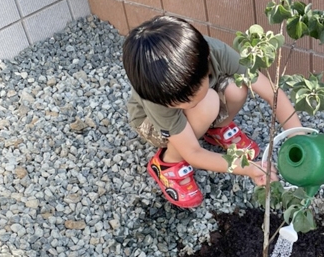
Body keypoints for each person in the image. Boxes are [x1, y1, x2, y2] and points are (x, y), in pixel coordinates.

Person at [122, 15, 302, 209]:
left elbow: (273, 94)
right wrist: (248, 168)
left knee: (236, 87)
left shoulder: (216, 52)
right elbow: (193, 152)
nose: (185, 104)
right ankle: (168, 163)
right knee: (206, 103)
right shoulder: (156, 94)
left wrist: (299, 138)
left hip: (203, 103)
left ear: (206, 60)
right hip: (151, 124)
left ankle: (216, 129)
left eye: (189, 96)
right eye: (177, 102)